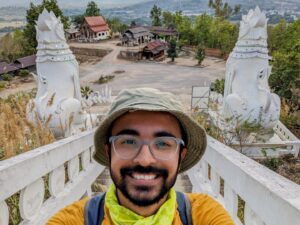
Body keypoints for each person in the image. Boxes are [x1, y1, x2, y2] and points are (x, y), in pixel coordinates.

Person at [47, 88, 234, 225]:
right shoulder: (78, 219)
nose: (145, 160)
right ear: (108, 151)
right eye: (128, 141)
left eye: (163, 144)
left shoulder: (202, 215)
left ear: (181, 156)